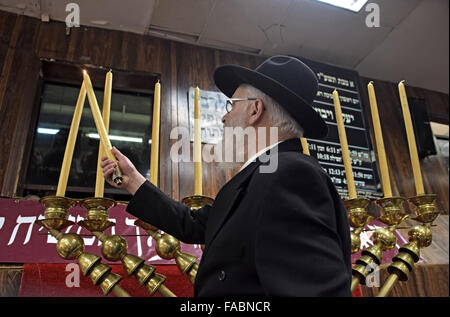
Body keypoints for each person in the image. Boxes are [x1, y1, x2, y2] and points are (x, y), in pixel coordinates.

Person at [101, 56, 352, 296]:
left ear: (255, 110)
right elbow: (194, 225)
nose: (224, 117)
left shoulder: (291, 175)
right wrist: (133, 180)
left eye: (232, 105)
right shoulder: (261, 174)